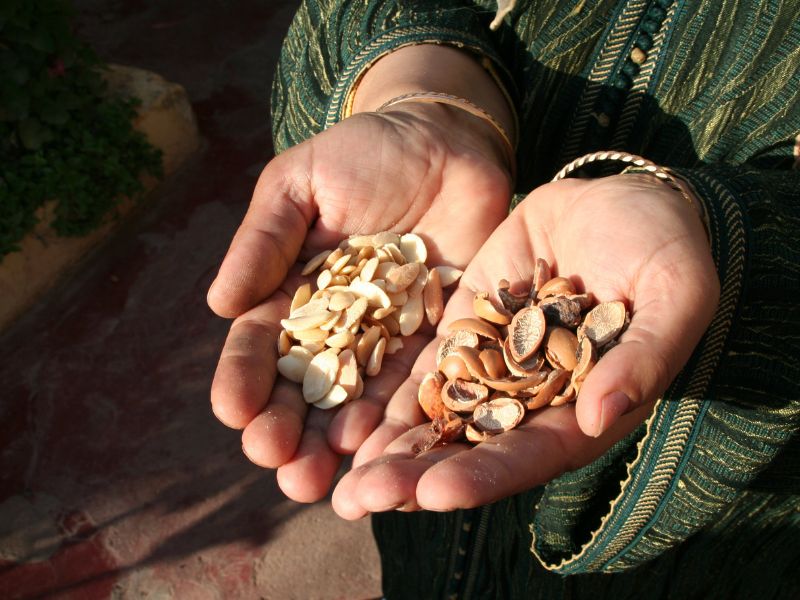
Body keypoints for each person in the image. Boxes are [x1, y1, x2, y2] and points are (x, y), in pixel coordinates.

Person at [207, 0, 800, 597]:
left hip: (718, 518)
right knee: (421, 504)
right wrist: (425, 93)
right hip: (430, 538)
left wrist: (723, 230)